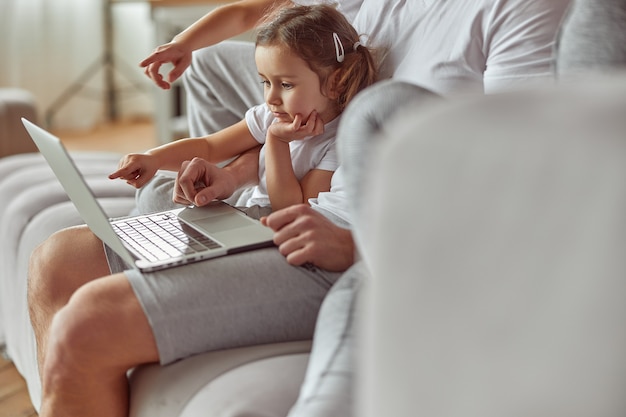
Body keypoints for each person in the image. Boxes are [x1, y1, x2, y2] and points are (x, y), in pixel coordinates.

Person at [27, 1, 572, 417]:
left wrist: (359, 245)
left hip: (361, 249)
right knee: (59, 260)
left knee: (89, 324)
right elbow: (268, 39)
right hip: (298, 217)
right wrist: (233, 174)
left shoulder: (519, 12)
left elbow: (523, 186)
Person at [111, 4, 377, 214]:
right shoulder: (271, 113)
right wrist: (153, 159)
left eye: (285, 84)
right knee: (154, 188)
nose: (271, 97)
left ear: (336, 83)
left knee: (158, 203)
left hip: (265, 218)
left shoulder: (339, 140)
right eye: (265, 82)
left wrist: (276, 140)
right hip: (245, 199)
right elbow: (210, 147)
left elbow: (294, 208)